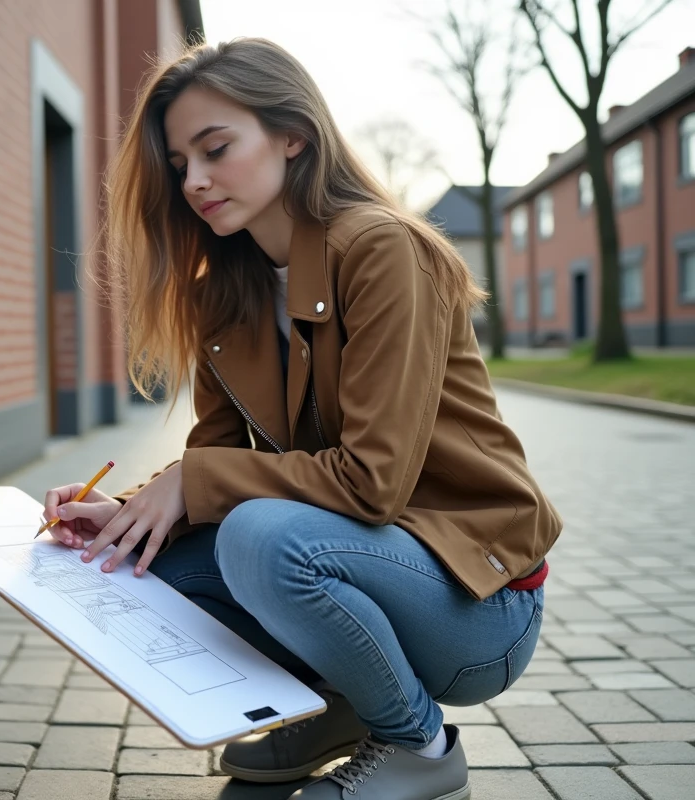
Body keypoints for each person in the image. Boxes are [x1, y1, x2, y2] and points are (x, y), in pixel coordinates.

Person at [41, 37, 561, 800]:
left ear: (293, 135)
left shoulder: (385, 250)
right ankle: (340, 703)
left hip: (478, 606)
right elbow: (212, 463)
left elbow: (372, 484)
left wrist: (196, 480)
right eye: (181, 164)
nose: (195, 180)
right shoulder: (226, 289)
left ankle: (417, 744)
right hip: (367, 563)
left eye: (215, 148)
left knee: (260, 537)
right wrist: (120, 514)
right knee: (136, 565)